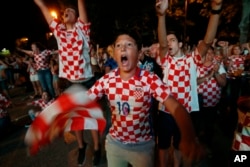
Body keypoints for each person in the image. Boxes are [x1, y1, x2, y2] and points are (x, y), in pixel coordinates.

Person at [86, 29, 204, 167]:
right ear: (114, 54)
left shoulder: (149, 79)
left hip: (142, 148)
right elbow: (84, 100)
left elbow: (175, 106)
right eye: (118, 45)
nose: (123, 48)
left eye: (129, 44)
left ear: (139, 52)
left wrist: (187, 134)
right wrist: (59, 111)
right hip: (115, 145)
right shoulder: (106, 80)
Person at [33, 0, 101, 165]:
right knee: (75, 119)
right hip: (71, 84)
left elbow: (81, 5)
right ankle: (81, 146)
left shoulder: (82, 30)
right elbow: (46, 12)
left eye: (70, 11)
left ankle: (98, 148)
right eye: (64, 13)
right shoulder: (60, 32)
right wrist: (40, 3)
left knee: (91, 119)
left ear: (77, 16)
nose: (66, 13)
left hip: (87, 82)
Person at [156, 0, 222, 166]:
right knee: (163, 146)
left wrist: (215, 10)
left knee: (179, 145)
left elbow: (207, 42)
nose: (168, 42)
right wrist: (161, 16)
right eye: (167, 40)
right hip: (165, 111)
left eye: (173, 40)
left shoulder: (192, 60)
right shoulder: (166, 60)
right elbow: (162, 43)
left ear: (180, 44)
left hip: (184, 113)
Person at [196, 46, 226, 148]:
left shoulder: (218, 65)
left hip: (213, 102)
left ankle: (208, 147)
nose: (209, 55)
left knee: (210, 126)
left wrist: (216, 72)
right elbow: (193, 82)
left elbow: (223, 83)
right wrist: (209, 75)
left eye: (211, 53)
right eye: (207, 53)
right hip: (198, 102)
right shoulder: (196, 66)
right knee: (197, 125)